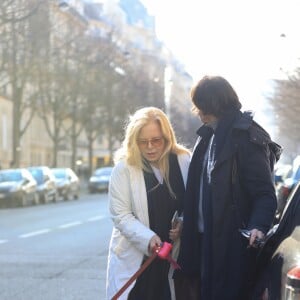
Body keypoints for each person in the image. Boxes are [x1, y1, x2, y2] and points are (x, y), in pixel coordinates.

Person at [175, 75, 282, 300]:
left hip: (231, 245)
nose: (197, 111)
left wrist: (257, 226)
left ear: (210, 104)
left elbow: (264, 193)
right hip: (204, 242)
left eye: (199, 105)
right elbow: (198, 189)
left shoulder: (245, 136)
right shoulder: (206, 137)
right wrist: (185, 219)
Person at [106, 107, 191, 300]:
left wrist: (183, 223)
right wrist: (148, 239)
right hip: (139, 259)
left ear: (167, 137)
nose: (150, 147)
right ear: (134, 142)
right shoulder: (124, 169)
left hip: (174, 256)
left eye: (156, 140)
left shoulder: (183, 160)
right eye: (143, 142)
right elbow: (120, 215)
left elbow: (193, 203)